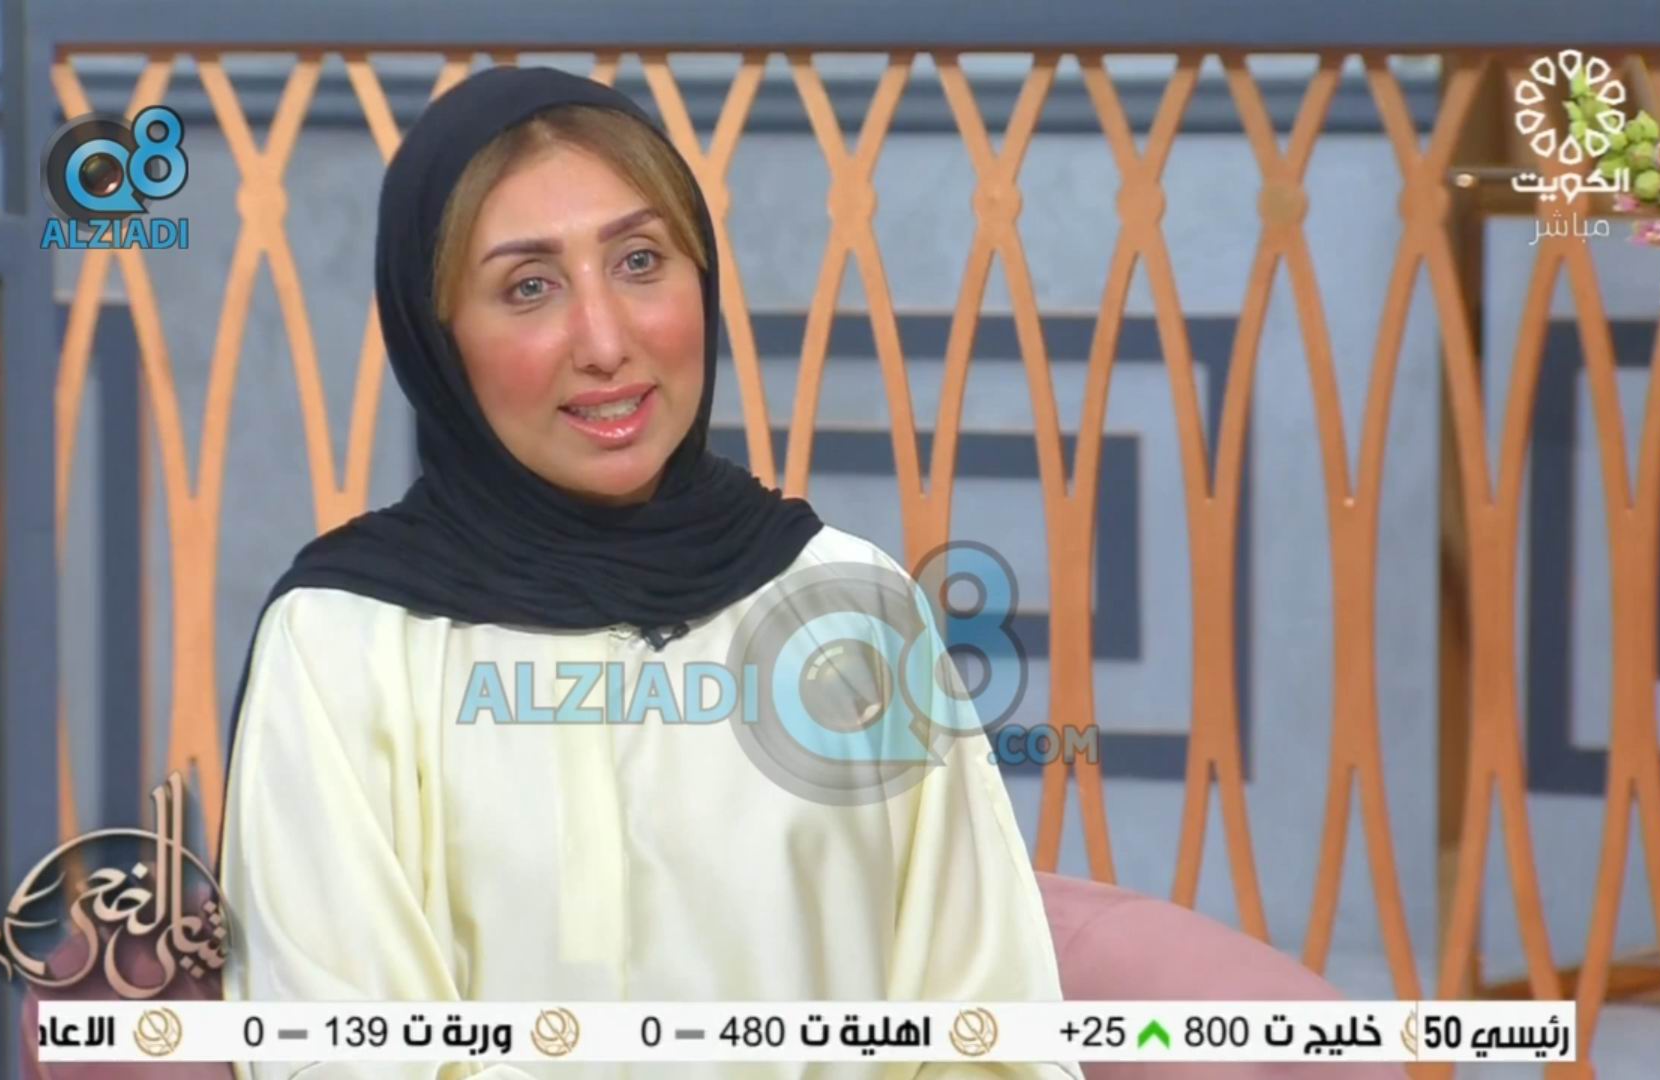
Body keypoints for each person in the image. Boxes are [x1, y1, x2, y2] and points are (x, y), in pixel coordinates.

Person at [217, 65, 1080, 1079]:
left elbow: (992, 1034)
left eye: (639, 261)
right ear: (436, 338)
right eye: (529, 286)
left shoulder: (851, 606)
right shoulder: (341, 640)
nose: (605, 341)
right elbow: (336, 1054)